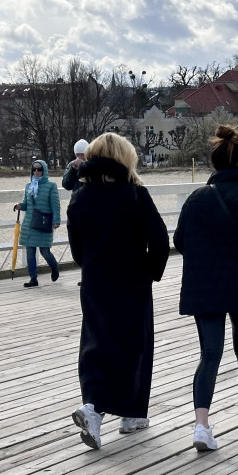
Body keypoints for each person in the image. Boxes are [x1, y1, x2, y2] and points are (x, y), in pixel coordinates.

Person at [174, 125, 238, 452]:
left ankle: (202, 425)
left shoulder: (196, 198)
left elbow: (179, 242)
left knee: (209, 354)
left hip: (204, 286)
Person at [66, 133, 169, 449]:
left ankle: (93, 407)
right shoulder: (135, 194)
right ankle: (131, 413)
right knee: (134, 344)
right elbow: (161, 239)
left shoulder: (80, 197)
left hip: (96, 280)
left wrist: (91, 265)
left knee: (96, 342)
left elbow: (76, 246)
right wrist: (152, 271)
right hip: (132, 280)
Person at [13, 159, 60, 288]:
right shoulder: (29, 186)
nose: (36, 171)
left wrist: (56, 221)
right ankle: (33, 278)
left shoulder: (51, 186)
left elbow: (55, 205)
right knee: (30, 251)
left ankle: (54, 266)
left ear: (44, 171)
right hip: (29, 222)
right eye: (34, 169)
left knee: (45, 251)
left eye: (39, 169)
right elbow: (27, 204)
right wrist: (19, 206)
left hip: (44, 222)